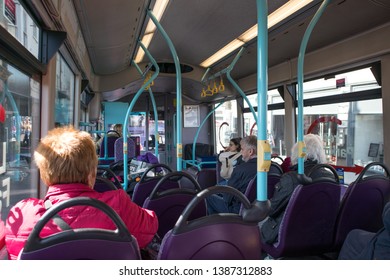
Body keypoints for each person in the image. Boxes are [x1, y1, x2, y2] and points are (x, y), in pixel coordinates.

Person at [5, 126, 158, 260]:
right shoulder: (117, 204)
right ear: (92, 173)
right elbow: (151, 227)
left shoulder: (23, 215)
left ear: (44, 176)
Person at [261, 134, 334, 245]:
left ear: (296, 153)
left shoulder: (290, 178)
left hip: (289, 235)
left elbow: (272, 209)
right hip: (320, 234)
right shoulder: (331, 177)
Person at [207, 135, 257, 214]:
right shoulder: (273, 168)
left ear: (250, 152)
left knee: (209, 196)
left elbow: (227, 198)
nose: (241, 153)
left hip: (240, 210)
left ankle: (217, 224)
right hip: (260, 209)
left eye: (242, 150)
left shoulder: (240, 169)